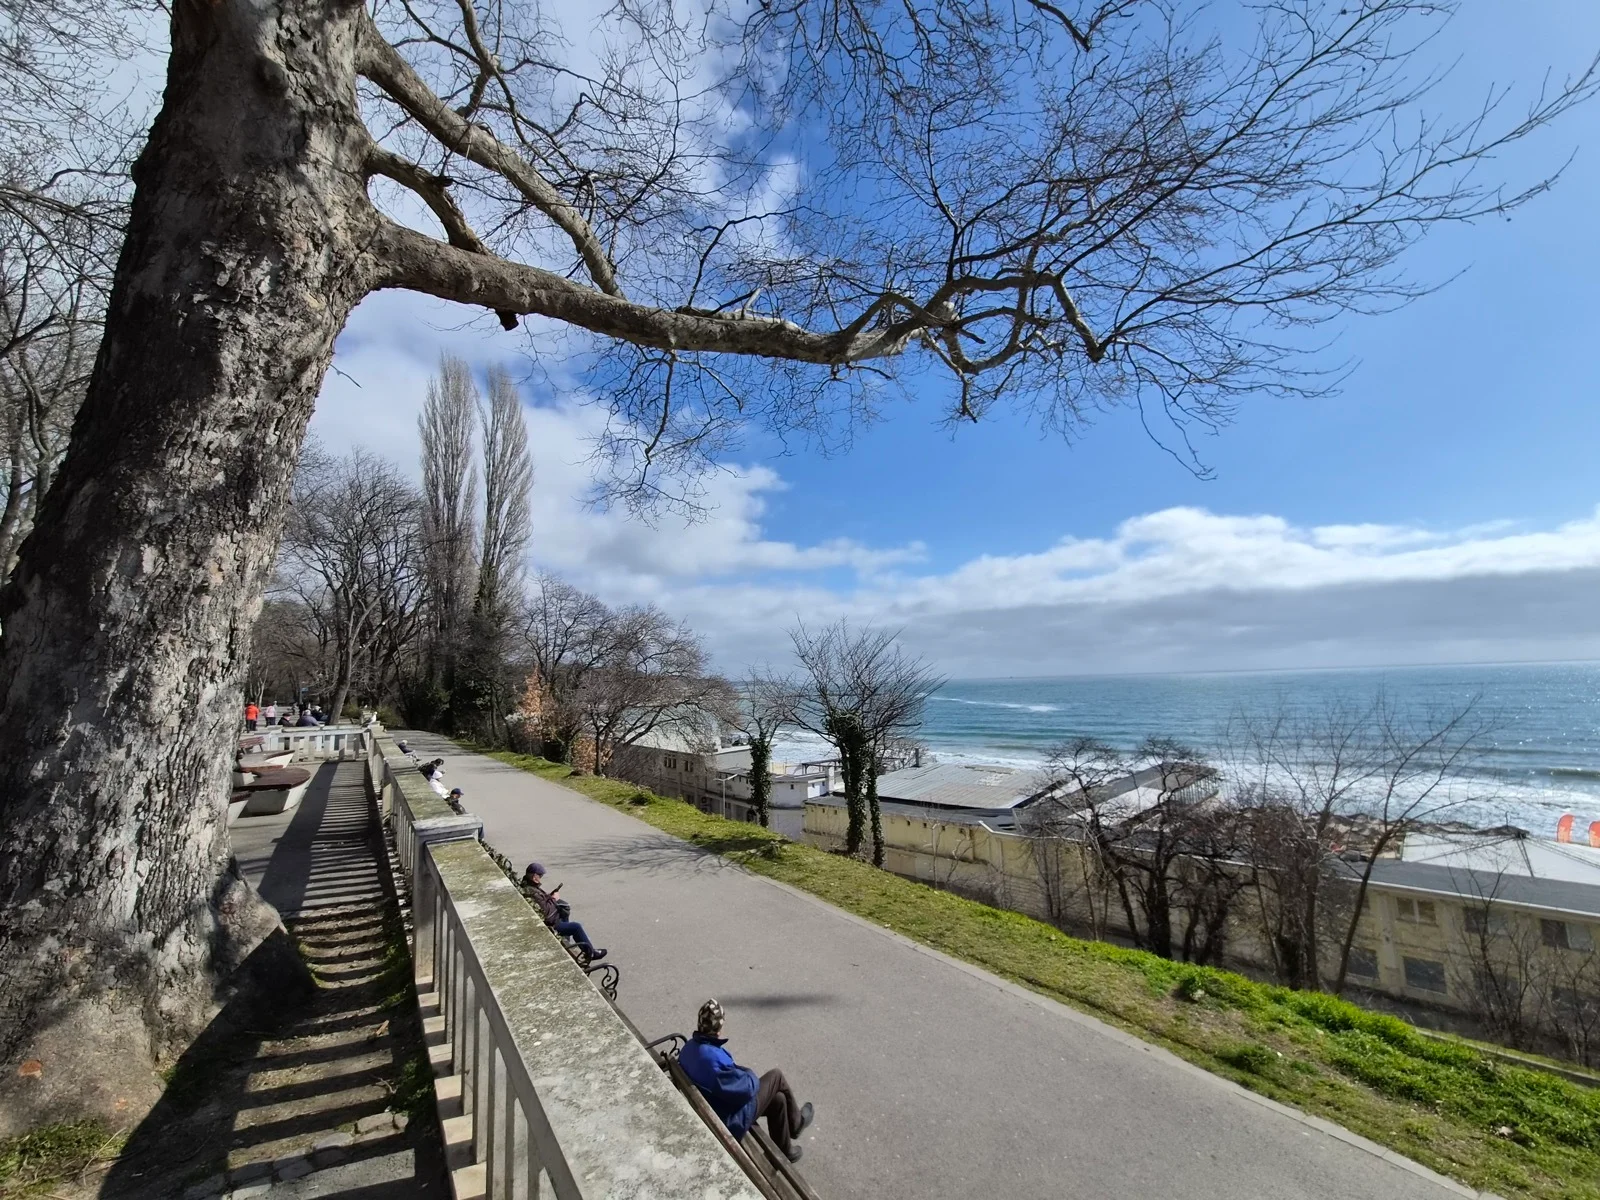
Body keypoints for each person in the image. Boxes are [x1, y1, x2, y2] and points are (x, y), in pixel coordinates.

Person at [679, 999, 813, 1163]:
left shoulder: (689, 1048)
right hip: (730, 1120)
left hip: (714, 1107)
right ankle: (797, 1124)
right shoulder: (712, 1060)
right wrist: (746, 1072)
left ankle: (785, 1151)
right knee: (776, 1076)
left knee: (778, 1099)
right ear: (719, 1029)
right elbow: (747, 1089)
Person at [521, 863, 606, 961]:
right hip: (551, 924)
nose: (541, 878)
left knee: (564, 912)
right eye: (540, 876)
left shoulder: (529, 886)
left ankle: (568, 944)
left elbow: (542, 903)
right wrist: (554, 899)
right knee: (576, 927)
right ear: (534, 877)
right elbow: (547, 914)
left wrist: (549, 897)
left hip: (549, 921)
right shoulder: (532, 891)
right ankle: (591, 953)